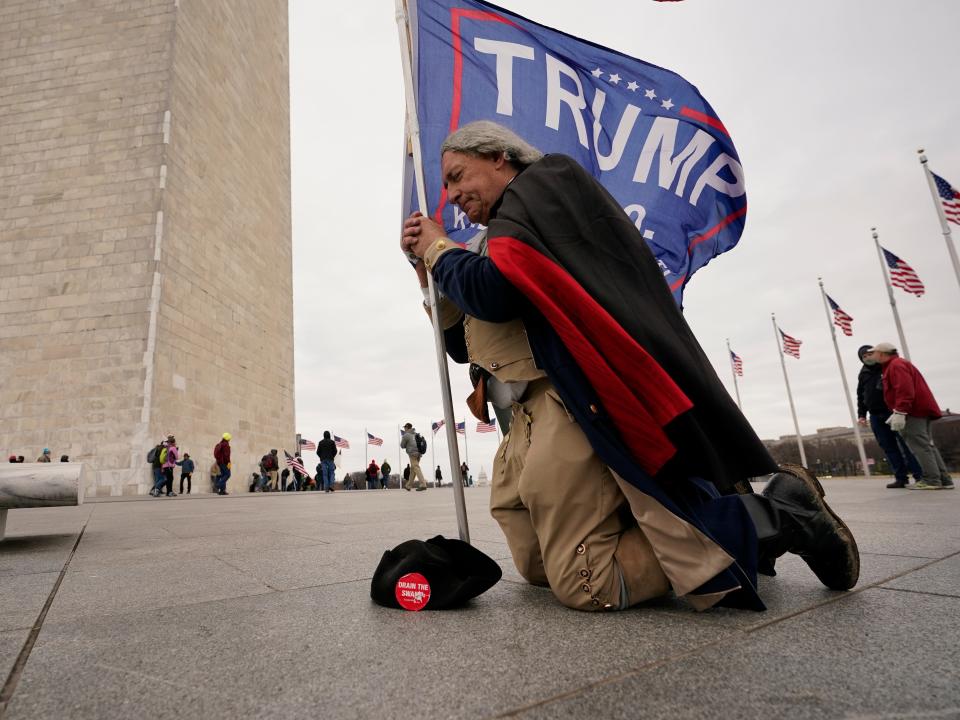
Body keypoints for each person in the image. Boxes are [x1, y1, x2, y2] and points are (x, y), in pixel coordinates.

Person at [399, 121, 859, 612]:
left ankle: (777, 515)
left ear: (498, 157)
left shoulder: (545, 184)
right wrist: (428, 271)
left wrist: (438, 247)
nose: (449, 196)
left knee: (587, 584)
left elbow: (494, 291)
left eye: (456, 176)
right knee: (537, 568)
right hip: (520, 419)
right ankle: (683, 527)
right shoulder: (500, 236)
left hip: (567, 400)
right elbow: (461, 345)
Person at [868, 342, 954, 490]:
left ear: (882, 354)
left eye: (874, 352)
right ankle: (944, 479)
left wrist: (900, 411)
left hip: (913, 412)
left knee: (920, 446)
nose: (871, 355)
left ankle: (932, 480)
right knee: (927, 445)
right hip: (918, 410)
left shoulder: (896, 365)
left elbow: (905, 389)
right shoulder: (897, 364)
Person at [856, 344, 922, 488]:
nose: (867, 358)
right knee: (889, 447)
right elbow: (861, 396)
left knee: (906, 444)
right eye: (864, 357)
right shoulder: (863, 374)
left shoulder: (886, 367)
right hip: (875, 415)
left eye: (869, 354)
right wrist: (862, 414)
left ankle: (919, 475)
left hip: (892, 412)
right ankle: (900, 477)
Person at [399, 423, 427, 491]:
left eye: (405, 427)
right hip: (419, 453)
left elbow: (402, 446)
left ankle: (423, 484)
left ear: (407, 427)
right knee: (413, 469)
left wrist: (407, 444)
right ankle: (408, 486)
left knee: (416, 468)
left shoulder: (406, 435)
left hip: (412, 454)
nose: (404, 429)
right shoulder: (416, 434)